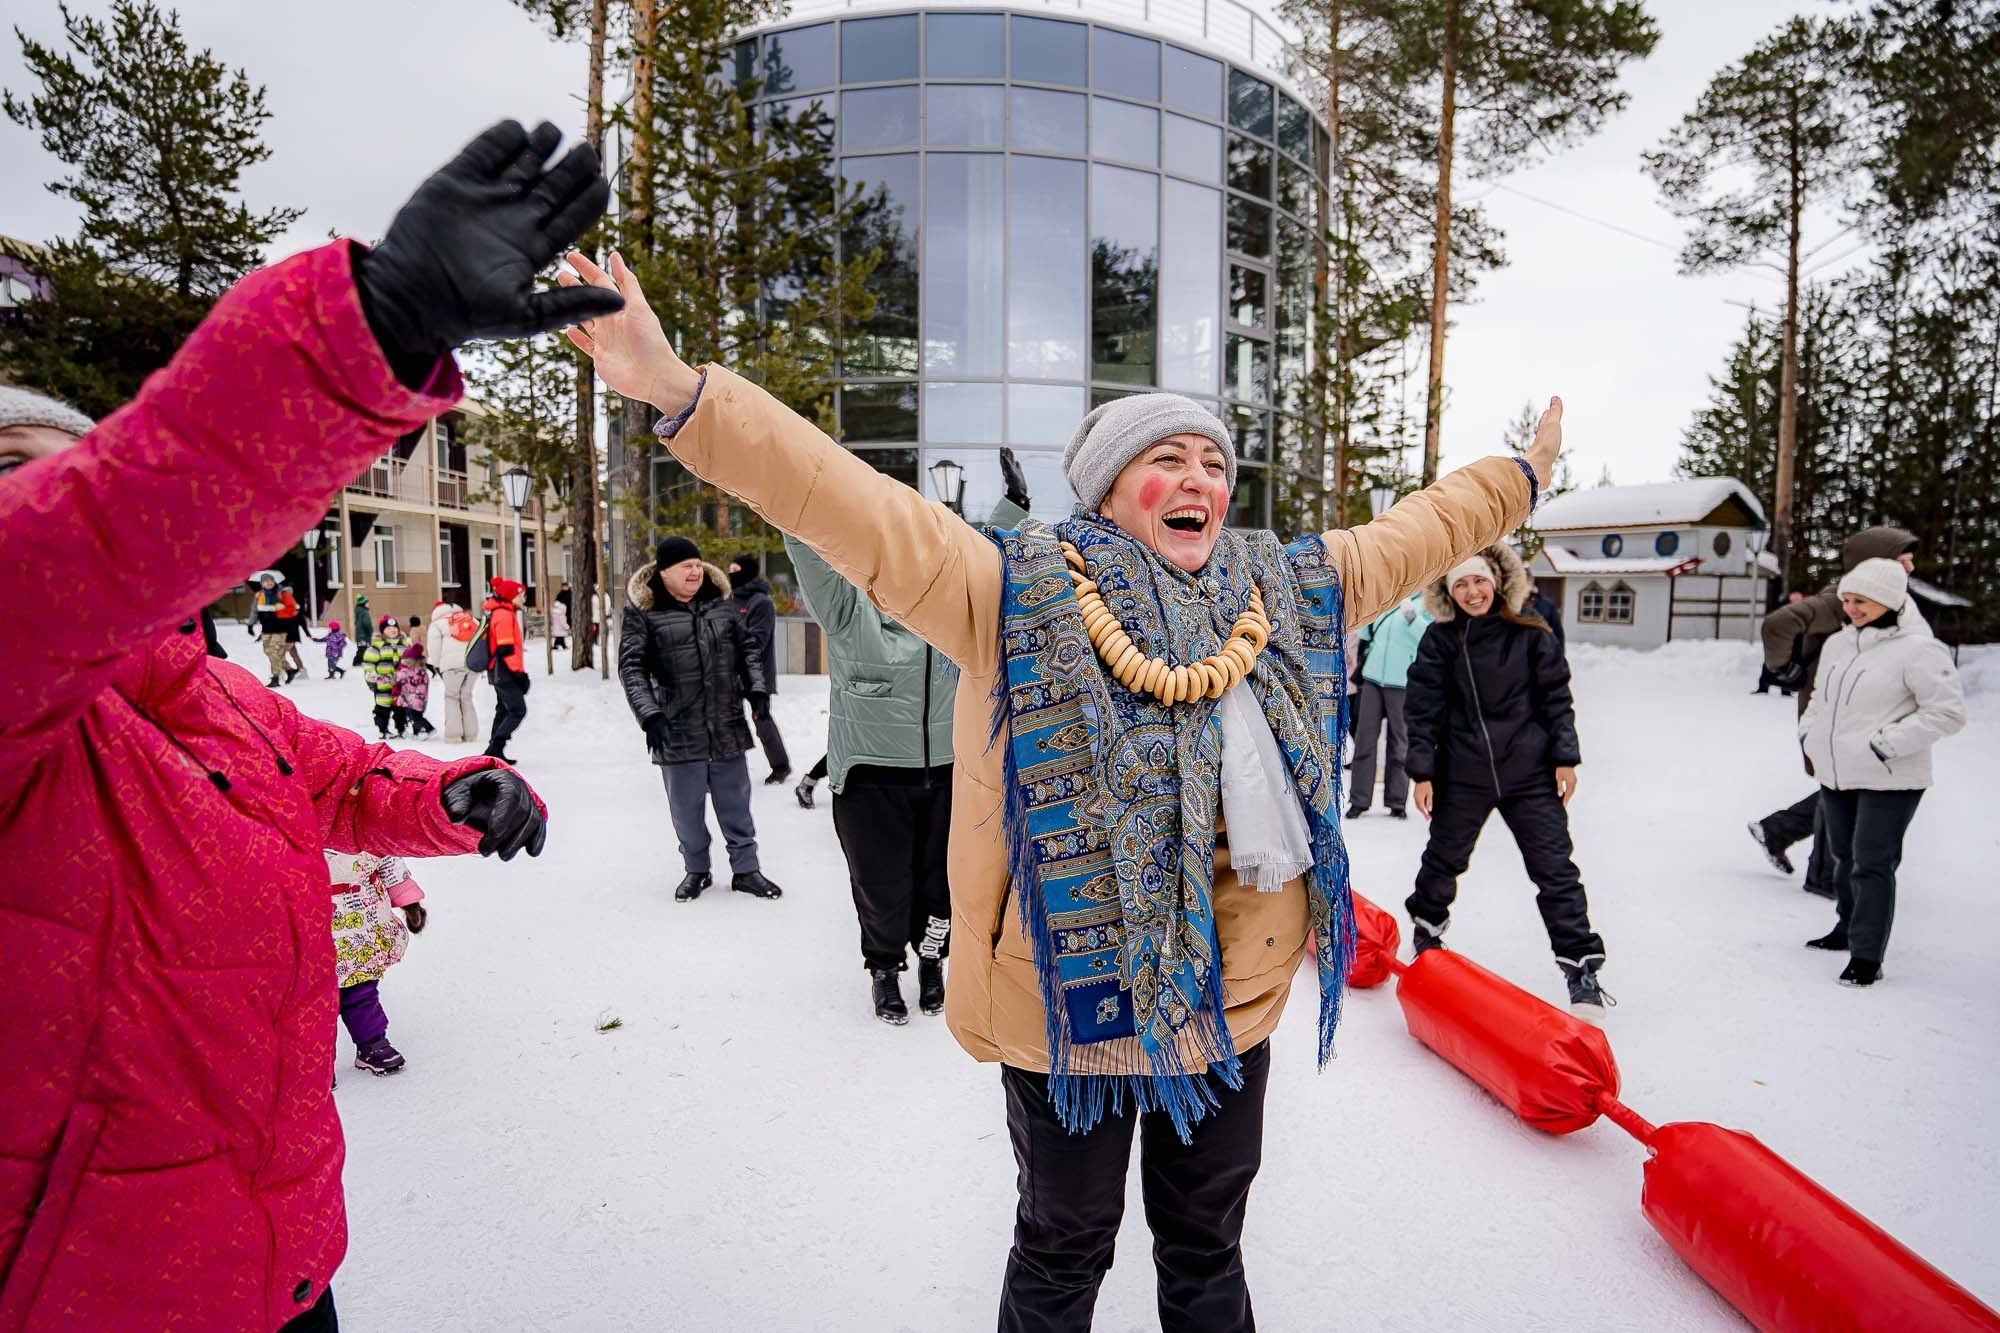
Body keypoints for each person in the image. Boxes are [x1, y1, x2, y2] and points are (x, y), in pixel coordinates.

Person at [562, 247, 1556, 1330]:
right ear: (1108, 487)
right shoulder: (1011, 590)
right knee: (1061, 1247)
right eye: (1165, 459)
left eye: (1211, 462)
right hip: (1064, 1007)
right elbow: (852, 505)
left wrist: (1518, 481)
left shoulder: (1283, 587)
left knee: (1205, 1249)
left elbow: (1416, 535)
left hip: (1226, 1003)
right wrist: (680, 394)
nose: (1198, 482)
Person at [0, 116, 597, 1331]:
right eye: (14, 467)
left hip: (266, 1248)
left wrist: (442, 794)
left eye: (69, 462)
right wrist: (364, 330)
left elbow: (334, 774)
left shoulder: (195, 687)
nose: (46, 492)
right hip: (82, 1287)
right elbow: (95, 535)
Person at [1402, 545, 1609, 1021]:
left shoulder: (1532, 631)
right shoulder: (1441, 640)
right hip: (1463, 775)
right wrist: (1423, 772)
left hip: (1530, 775)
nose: (1472, 592)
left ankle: (1580, 966)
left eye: (1478, 581)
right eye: (1460, 584)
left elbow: (1557, 696)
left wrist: (1564, 759)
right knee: (1444, 859)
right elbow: (1423, 710)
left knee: (1555, 869)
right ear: (1447, 592)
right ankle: (1426, 930)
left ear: (1496, 580)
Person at [787, 534, 956, 1024]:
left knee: (941, 889)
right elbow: (806, 549)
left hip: (945, 777)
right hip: (869, 782)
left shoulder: (948, 615)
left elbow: (989, 565)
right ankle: (884, 969)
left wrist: (1013, 504)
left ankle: (930, 960)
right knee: (882, 890)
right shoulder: (848, 608)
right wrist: (794, 486)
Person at [1796, 558, 1964, 986]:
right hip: (1838, 772)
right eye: (1847, 600)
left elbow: (1947, 712)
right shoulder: (1839, 643)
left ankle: (1867, 955)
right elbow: (1819, 699)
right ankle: (1845, 928)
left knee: (1871, 863)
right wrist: (1809, 733)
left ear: (1889, 600)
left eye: (1861, 601)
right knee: (1843, 855)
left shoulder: (1920, 650)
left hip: (1890, 777)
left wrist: (1885, 744)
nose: (1851, 608)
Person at [1747, 526, 1922, 896]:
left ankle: (1784, 836)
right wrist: (1783, 671)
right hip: (1830, 711)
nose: (1911, 566)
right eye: (1903, 559)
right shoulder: (1840, 599)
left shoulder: (1885, 602)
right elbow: (1779, 623)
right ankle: (1821, 872)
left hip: (1858, 711)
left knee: (1848, 788)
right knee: (1844, 788)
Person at [619, 536, 782, 901]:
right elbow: (631, 669)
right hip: (676, 730)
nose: (695, 571)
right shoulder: (644, 613)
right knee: (687, 811)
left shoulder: (721, 605)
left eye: (697, 564)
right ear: (664, 573)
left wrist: (757, 690)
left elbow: (748, 651)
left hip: (725, 724)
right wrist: (650, 716)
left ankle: (746, 871)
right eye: (685, 566)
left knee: (736, 805)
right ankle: (696, 871)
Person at [327, 849, 429, 1075]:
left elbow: (389, 862)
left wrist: (410, 903)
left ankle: (372, 1044)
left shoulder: (365, 827)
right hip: (312, 933)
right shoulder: (288, 828)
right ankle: (317, 1060)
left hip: (363, 932)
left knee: (361, 993)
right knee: (317, 1004)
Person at [1349, 591, 1433, 818]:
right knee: (1365, 739)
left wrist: (1414, 619)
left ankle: (1397, 801)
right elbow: (1366, 633)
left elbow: (1429, 637)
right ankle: (1359, 800)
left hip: (1403, 682)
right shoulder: (1388, 595)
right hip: (1373, 678)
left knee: (1400, 742)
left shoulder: (1426, 602)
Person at [728, 551, 791, 784]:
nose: (730, 574)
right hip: (729, 672)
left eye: (735, 571)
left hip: (757, 674)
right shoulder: (729, 598)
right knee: (727, 720)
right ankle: (728, 769)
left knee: (761, 720)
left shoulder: (761, 602)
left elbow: (758, 640)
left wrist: (729, 647)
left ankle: (780, 766)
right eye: (730, 570)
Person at [483, 575, 530, 762]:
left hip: (501, 670)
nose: (524, 599)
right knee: (517, 710)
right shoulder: (503, 615)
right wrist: (519, 674)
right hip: (504, 671)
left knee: (503, 709)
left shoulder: (504, 612)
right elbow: (506, 649)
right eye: (521, 595)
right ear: (512, 596)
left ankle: (494, 751)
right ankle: (495, 747)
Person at [427, 600, 479, 742]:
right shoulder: (469, 618)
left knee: (452, 697)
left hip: (451, 666)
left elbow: (434, 648)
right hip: (472, 664)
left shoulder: (437, 623)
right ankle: (471, 734)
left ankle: (454, 735)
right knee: (466, 697)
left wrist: (438, 666)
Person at [363, 617, 408, 739]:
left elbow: (411, 662)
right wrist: (371, 674)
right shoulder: (376, 647)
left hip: (400, 685)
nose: (392, 630)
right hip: (383, 684)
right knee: (383, 708)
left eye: (394, 628)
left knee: (400, 708)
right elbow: (369, 663)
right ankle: (383, 729)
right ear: (383, 631)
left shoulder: (404, 645)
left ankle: (401, 728)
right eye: (388, 628)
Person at [395, 640, 438, 737]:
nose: (402, 661)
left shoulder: (406, 671)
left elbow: (396, 679)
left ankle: (427, 729)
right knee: (417, 716)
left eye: (404, 659)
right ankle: (417, 732)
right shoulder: (422, 670)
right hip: (419, 699)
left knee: (413, 717)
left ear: (411, 660)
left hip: (411, 700)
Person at [257, 573, 291, 685]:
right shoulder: (260, 595)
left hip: (279, 627)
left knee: (273, 651)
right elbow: (257, 611)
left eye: (270, 580)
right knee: (268, 651)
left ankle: (275, 677)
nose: (268, 583)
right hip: (266, 628)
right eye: (265, 581)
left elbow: (289, 607)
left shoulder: (281, 593)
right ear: (262, 583)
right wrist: (251, 625)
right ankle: (289, 670)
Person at [353, 593, 375, 669]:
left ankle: (357, 661)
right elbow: (367, 623)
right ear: (364, 604)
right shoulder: (364, 612)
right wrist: (370, 630)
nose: (368, 604)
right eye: (367, 603)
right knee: (363, 649)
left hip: (359, 634)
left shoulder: (358, 611)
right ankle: (357, 662)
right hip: (364, 634)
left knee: (361, 648)